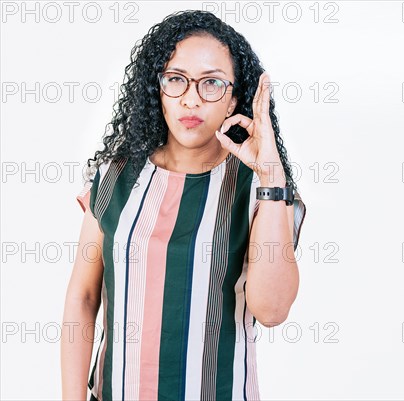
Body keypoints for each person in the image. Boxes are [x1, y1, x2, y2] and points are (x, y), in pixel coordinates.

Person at [60, 10, 306, 401]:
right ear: (157, 88)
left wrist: (271, 176)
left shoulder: (261, 191)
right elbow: (83, 298)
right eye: (176, 79)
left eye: (211, 83)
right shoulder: (114, 175)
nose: (191, 98)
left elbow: (272, 310)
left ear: (233, 100)